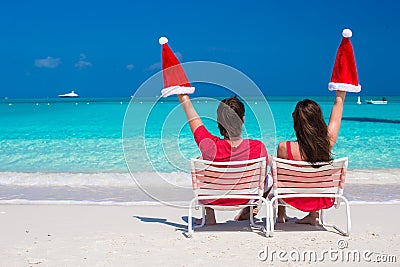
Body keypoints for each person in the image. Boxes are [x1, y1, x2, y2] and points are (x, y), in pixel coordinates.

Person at [177, 94, 271, 225]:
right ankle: (247, 211)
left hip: (213, 199)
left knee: (201, 162)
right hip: (245, 198)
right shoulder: (258, 147)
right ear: (242, 120)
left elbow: (193, 118)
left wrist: (183, 96)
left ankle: (209, 216)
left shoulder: (209, 146)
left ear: (218, 122)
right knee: (269, 178)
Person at [276, 90, 346, 225]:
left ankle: (281, 214)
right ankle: (313, 215)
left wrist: (280, 214)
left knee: (277, 176)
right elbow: (338, 106)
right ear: (319, 120)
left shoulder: (284, 147)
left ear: (295, 121)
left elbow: (280, 181)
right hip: (320, 199)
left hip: (293, 198)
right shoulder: (326, 143)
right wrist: (341, 90)